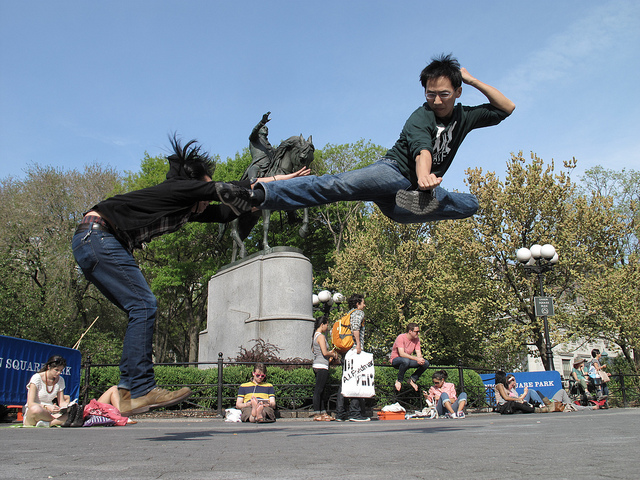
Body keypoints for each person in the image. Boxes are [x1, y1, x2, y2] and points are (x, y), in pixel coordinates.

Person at [72, 136, 308, 417]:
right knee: (145, 304)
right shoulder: (179, 188)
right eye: (204, 192)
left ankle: (127, 392)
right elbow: (228, 189)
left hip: (91, 244)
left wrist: (276, 193)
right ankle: (141, 388)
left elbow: (222, 213)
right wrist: (278, 179)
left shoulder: (184, 209)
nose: (202, 205)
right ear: (196, 185)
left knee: (138, 308)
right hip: (98, 236)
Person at [217, 53, 515, 224]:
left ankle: (444, 200)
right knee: (338, 184)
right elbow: (422, 151)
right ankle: (257, 196)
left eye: (444, 94)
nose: (437, 100)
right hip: (393, 172)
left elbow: (507, 107)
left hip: (404, 196)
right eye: (430, 94)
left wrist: (473, 79)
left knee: (462, 206)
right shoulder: (420, 117)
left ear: (458, 92)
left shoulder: (465, 116)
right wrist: (424, 176)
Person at [335, 294, 370, 422]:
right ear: (357, 304)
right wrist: (359, 345)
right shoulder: (358, 314)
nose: (364, 305)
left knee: (345, 381)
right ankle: (355, 413)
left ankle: (340, 413)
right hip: (354, 351)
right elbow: (356, 328)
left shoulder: (347, 315)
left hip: (346, 351)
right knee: (355, 380)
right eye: (363, 303)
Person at [23, 356, 72, 427]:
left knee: (74, 412)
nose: (59, 373)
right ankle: (56, 421)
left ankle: (49, 423)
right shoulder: (36, 378)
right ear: (49, 367)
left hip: (51, 414)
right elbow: (30, 403)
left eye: (61, 370)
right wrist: (47, 407)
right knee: (36, 410)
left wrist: (69, 406)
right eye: (56, 370)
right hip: (38, 410)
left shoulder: (60, 380)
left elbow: (61, 402)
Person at [311, 316, 339, 421]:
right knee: (319, 390)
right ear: (322, 324)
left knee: (321, 390)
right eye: (327, 325)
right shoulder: (321, 336)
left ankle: (322, 412)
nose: (327, 327)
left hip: (318, 364)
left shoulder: (315, 336)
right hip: (321, 365)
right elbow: (324, 352)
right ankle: (317, 413)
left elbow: (315, 351)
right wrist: (333, 354)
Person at [390, 323, 429, 391]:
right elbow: (402, 354)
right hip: (396, 360)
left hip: (407, 361)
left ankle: (412, 379)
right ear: (410, 331)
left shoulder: (417, 339)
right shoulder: (401, 337)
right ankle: (399, 380)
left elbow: (418, 353)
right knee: (405, 360)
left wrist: (420, 360)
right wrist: (417, 358)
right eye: (416, 331)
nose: (418, 333)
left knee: (426, 363)